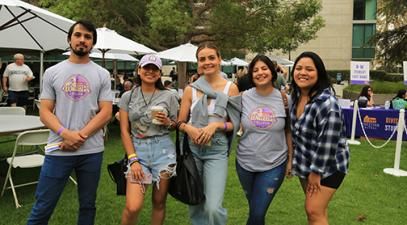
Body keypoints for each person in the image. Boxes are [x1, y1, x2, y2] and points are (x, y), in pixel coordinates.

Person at [27, 20, 113, 225]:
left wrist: (78, 137)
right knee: (43, 205)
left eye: (88, 37)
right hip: (59, 149)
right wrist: (67, 134)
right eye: (78, 35)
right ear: (69, 39)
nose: (82, 40)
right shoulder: (52, 72)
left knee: (88, 205)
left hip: (91, 152)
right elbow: (45, 111)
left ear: (92, 43)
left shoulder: (102, 74)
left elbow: (106, 112)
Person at [177, 42, 240, 225]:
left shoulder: (231, 88)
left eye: (211, 57)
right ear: (197, 62)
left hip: (216, 151)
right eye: (202, 59)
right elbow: (179, 122)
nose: (207, 62)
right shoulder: (191, 89)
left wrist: (216, 126)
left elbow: (235, 124)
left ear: (219, 59)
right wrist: (189, 128)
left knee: (213, 206)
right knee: (196, 202)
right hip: (193, 150)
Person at [290, 51, 349, 225]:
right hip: (305, 163)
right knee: (316, 212)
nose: (303, 72)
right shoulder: (296, 97)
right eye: (298, 68)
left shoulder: (327, 103)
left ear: (319, 73)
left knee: (313, 210)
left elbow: (328, 143)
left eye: (309, 69)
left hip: (329, 166)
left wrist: (316, 173)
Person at [119, 54, 179, 225]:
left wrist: (168, 122)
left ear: (160, 73)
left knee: (159, 202)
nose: (150, 72)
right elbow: (124, 129)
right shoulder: (128, 96)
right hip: (138, 152)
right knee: (133, 206)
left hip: (164, 153)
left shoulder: (170, 96)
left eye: (154, 69)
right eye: (146, 68)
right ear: (139, 70)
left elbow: (175, 125)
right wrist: (133, 159)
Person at [236, 55, 293, 225]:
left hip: (274, 165)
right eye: (255, 70)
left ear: (272, 71)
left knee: (258, 212)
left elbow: (288, 131)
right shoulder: (243, 97)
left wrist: (290, 160)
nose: (260, 73)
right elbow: (228, 122)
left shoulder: (285, 100)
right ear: (251, 75)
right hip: (245, 163)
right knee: (255, 210)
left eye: (264, 68)